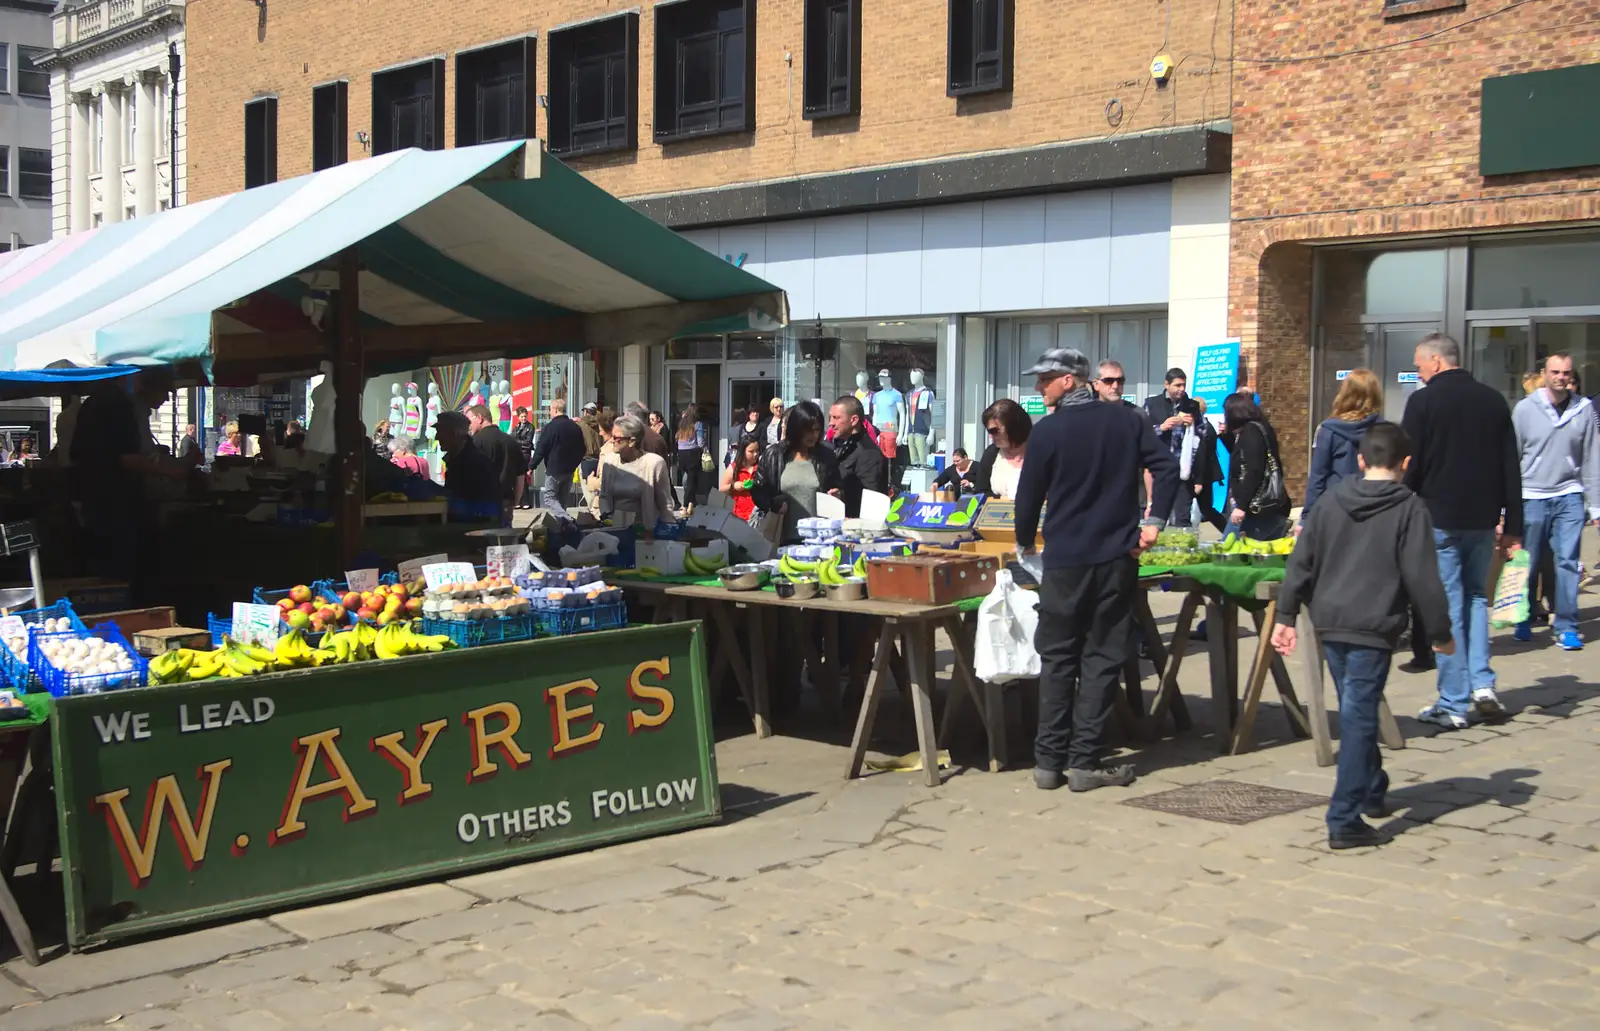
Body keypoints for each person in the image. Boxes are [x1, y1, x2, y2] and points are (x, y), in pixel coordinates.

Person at [1272, 422, 1453, 850]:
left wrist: (1285, 612)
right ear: (1406, 464)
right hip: (1373, 623)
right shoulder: (1410, 508)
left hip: (1331, 620)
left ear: (1359, 461)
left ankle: (1371, 786)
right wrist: (1442, 632)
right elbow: (1423, 577)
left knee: (1356, 712)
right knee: (1357, 717)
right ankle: (1344, 816)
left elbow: (1301, 561)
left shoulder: (1331, 500)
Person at [1013, 348, 1178, 792]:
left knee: (1059, 655)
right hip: (1113, 556)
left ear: (1069, 380)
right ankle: (1083, 759)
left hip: (1066, 559)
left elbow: (1029, 496)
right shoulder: (1127, 422)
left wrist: (1024, 540)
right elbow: (1167, 467)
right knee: (1102, 655)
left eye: (1044, 379)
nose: (1037, 387)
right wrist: (1153, 522)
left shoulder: (1048, 432)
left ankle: (1049, 762)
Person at [1403, 333, 1522, 729]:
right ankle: (1482, 684)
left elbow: (1412, 464)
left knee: (1450, 605)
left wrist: (1399, 509)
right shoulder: (1492, 400)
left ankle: (1453, 701)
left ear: (1436, 361)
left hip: (1439, 517)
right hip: (1483, 519)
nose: (1418, 373)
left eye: (1420, 365)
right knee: (1474, 598)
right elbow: (1510, 467)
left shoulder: (1422, 403)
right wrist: (1514, 525)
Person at [1512, 352, 1600, 651]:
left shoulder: (1584, 410)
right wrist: (1505, 505)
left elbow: (1591, 459)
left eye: (1566, 373)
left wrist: (1596, 505)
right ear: (1545, 373)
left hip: (1569, 496)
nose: (1561, 377)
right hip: (1532, 496)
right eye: (1555, 372)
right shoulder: (1525, 409)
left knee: (1567, 561)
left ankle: (1566, 625)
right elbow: (1512, 458)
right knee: (1529, 561)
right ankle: (1522, 615)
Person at [751, 401, 840, 545]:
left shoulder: (827, 457)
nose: (813, 435)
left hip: (819, 541)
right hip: (782, 539)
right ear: (796, 429)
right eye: (807, 430)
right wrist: (773, 503)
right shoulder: (774, 455)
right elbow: (758, 490)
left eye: (816, 430)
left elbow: (836, 487)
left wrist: (837, 494)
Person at [1303, 369, 1384, 516]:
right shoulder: (1384, 430)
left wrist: (1307, 516)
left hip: (1337, 506)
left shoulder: (1329, 429)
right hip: (1374, 505)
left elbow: (1318, 476)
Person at [1222, 394, 1293, 540]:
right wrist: (1227, 436)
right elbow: (1242, 457)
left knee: (1231, 549)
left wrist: (1241, 506)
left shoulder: (1251, 431)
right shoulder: (1262, 427)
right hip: (1259, 503)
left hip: (1254, 504)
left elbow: (1254, 470)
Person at [598, 413, 677, 532]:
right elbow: (603, 496)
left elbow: (665, 503)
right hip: (615, 529)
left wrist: (669, 529)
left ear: (631, 441)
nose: (611, 441)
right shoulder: (610, 462)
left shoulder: (654, 463)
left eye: (616, 438)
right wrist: (606, 517)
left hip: (645, 531)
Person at [1144, 368, 1201, 527]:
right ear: (1166, 384)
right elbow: (1143, 432)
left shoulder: (1192, 405)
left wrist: (1193, 426)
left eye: (1184, 385)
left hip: (1184, 468)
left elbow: (1202, 435)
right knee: (1159, 515)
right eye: (1177, 385)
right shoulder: (1152, 404)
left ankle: (1184, 549)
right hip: (1160, 467)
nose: (1181, 389)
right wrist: (1162, 427)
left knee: (1182, 517)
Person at [828, 395, 887, 517]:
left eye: (836, 418)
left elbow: (871, 498)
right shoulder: (841, 446)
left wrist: (842, 495)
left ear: (854, 420)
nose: (831, 423)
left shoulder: (869, 453)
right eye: (830, 417)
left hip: (857, 527)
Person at [529, 397, 586, 517]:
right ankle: (563, 527)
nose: (550, 412)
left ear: (555, 410)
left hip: (554, 470)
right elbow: (582, 449)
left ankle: (567, 519)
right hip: (569, 470)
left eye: (550, 409)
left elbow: (541, 449)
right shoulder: (575, 427)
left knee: (549, 498)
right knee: (562, 500)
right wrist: (574, 464)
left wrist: (531, 466)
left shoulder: (550, 428)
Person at [467, 404, 522, 523]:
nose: (468, 426)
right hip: (506, 500)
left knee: (484, 538)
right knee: (505, 537)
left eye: (469, 421)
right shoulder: (511, 441)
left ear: (480, 418)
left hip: (482, 502)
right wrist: (516, 501)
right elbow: (520, 476)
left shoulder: (475, 442)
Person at [433, 411, 500, 505]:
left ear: (454, 433)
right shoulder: (457, 459)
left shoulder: (475, 463)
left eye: (440, 432)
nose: (436, 437)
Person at [970, 399, 1032, 500]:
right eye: (988, 431)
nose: (991, 436)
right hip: (998, 513)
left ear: (1013, 426)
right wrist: (1001, 499)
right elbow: (981, 493)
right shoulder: (992, 454)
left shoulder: (1040, 450)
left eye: (994, 430)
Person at [673, 405, 708, 516]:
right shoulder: (697, 424)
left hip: (681, 453)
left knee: (688, 479)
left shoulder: (682, 424)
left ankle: (691, 505)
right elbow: (700, 441)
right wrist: (705, 450)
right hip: (693, 453)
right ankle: (685, 505)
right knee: (691, 482)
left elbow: (677, 438)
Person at [720, 437, 763, 522]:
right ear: (743, 451)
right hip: (739, 515)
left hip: (757, 514)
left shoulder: (761, 467)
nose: (755, 454)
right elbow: (721, 488)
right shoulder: (734, 468)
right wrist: (734, 486)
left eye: (757, 451)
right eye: (751, 451)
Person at [511, 407, 537, 509]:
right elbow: (512, 438)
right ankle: (518, 501)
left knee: (524, 478)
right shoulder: (516, 427)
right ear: (518, 417)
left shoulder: (530, 427)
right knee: (516, 477)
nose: (523, 418)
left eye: (525, 416)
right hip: (517, 454)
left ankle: (526, 501)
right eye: (521, 416)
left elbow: (527, 442)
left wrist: (517, 442)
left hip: (525, 454)